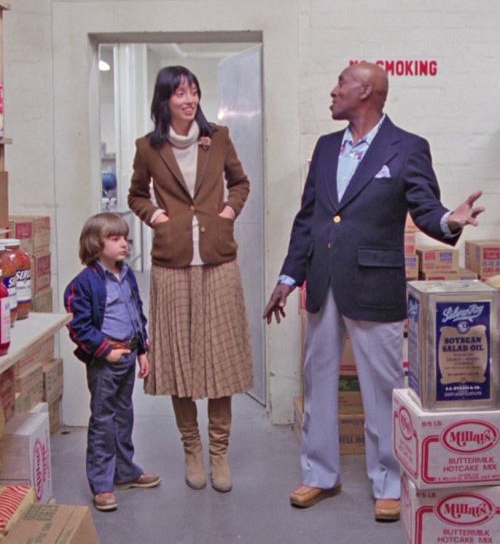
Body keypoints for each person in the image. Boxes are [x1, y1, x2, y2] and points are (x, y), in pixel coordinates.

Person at [263, 61, 484, 522]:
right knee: (318, 382)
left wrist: (448, 221)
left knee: (383, 388)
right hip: (323, 284)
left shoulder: (406, 147)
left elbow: (424, 207)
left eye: (341, 83)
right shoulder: (325, 149)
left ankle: (388, 479)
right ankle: (320, 474)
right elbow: (310, 220)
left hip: (375, 285)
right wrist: (288, 278)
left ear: (365, 91)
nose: (332, 90)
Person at [128, 65, 252, 493]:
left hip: (218, 259)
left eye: (194, 91)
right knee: (180, 356)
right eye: (180, 93)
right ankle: (192, 449)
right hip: (171, 262)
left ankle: (219, 452)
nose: (189, 99)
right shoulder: (148, 148)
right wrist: (158, 217)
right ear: (164, 101)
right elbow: (136, 194)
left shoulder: (217, 137)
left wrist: (228, 213)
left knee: (222, 356)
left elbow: (240, 183)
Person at [64, 212, 160, 512]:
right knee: (103, 421)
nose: (124, 244)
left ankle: (125, 472)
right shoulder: (85, 283)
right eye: (115, 239)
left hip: (128, 355)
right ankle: (102, 484)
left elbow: (136, 313)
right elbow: (78, 326)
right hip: (106, 361)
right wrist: (105, 351)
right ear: (96, 243)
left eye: (125, 238)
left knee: (124, 416)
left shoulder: (127, 275)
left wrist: (142, 350)